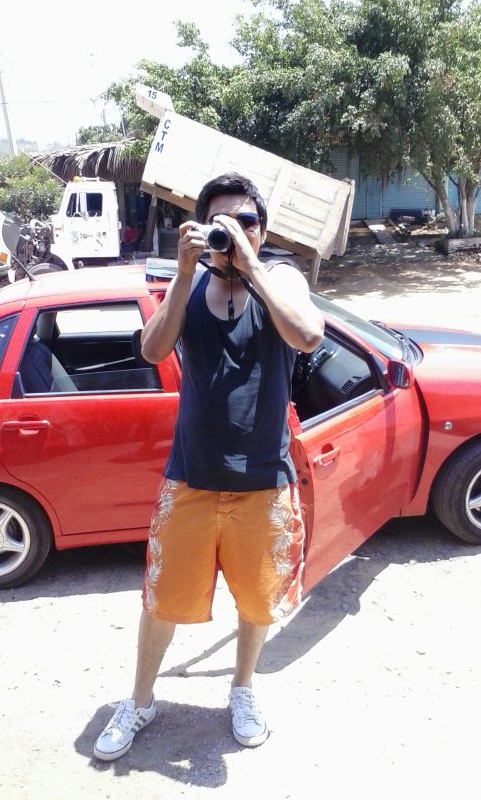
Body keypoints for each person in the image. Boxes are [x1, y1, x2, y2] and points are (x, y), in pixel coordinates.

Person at [93, 173, 324, 761]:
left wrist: (252, 266)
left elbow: (307, 334)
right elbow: (152, 349)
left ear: (263, 230)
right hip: (191, 474)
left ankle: (242, 690)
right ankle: (141, 699)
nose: (234, 232)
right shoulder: (185, 283)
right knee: (160, 597)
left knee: (256, 599)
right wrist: (187, 271)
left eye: (245, 222)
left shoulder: (283, 278)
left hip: (263, 480)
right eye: (221, 222)